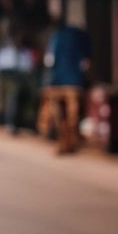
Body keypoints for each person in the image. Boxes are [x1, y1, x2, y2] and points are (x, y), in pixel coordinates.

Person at [42, 22, 91, 154]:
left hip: (57, 81)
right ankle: (72, 141)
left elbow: (49, 60)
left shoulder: (56, 37)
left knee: (59, 113)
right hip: (74, 82)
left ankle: (63, 140)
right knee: (72, 114)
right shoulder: (82, 38)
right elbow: (86, 63)